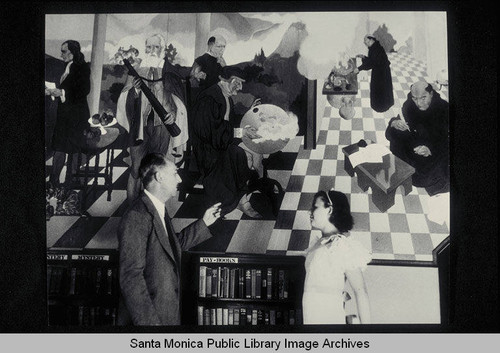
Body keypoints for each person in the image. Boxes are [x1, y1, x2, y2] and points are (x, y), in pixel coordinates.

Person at [117, 153, 221, 325]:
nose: (179, 179)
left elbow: (172, 246)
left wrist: (204, 222)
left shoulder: (158, 210)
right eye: (175, 173)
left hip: (165, 315)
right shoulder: (137, 215)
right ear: (159, 177)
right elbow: (130, 276)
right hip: (151, 322)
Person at [116, 34, 188, 205]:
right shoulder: (136, 69)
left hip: (162, 127)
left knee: (158, 169)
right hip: (139, 126)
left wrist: (173, 114)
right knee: (135, 169)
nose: (152, 51)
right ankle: (132, 209)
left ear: (162, 50)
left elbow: (177, 100)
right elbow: (124, 98)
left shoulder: (169, 71)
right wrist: (134, 91)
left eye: (156, 47)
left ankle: (153, 210)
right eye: (149, 47)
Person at [191, 66, 263, 218]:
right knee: (241, 155)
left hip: (221, 144)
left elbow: (228, 124)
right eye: (237, 82)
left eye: (241, 83)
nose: (240, 87)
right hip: (208, 150)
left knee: (249, 153)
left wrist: (250, 112)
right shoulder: (208, 99)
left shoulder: (225, 96)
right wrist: (240, 132)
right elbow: (211, 133)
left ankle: (243, 200)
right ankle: (228, 204)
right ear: (224, 80)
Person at [302, 189, 372, 324]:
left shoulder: (341, 245)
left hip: (329, 319)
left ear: (329, 210)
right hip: (310, 318)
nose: (310, 212)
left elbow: (360, 291)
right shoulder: (317, 245)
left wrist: (367, 332)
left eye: (315, 207)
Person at [385, 81, 449, 196]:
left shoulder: (444, 109)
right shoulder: (409, 104)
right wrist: (394, 123)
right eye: (415, 98)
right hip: (415, 143)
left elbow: (447, 141)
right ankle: (402, 169)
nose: (419, 103)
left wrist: (430, 150)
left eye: (423, 98)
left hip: (433, 152)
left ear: (431, 93)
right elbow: (400, 119)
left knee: (431, 172)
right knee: (395, 131)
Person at [45, 40, 90, 186]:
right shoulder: (67, 66)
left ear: (72, 52)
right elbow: (67, 88)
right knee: (59, 147)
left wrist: (62, 92)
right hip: (65, 114)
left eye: (64, 51)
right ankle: (54, 182)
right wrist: (54, 92)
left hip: (76, 115)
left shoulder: (82, 67)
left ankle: (69, 183)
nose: (61, 54)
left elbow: (84, 90)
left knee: (72, 148)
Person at [353, 35, 394, 113]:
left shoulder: (376, 49)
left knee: (380, 89)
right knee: (380, 89)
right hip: (380, 71)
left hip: (381, 73)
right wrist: (364, 57)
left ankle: (381, 107)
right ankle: (381, 106)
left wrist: (359, 69)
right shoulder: (374, 47)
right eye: (365, 43)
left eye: (367, 42)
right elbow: (372, 60)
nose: (366, 44)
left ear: (372, 39)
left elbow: (371, 63)